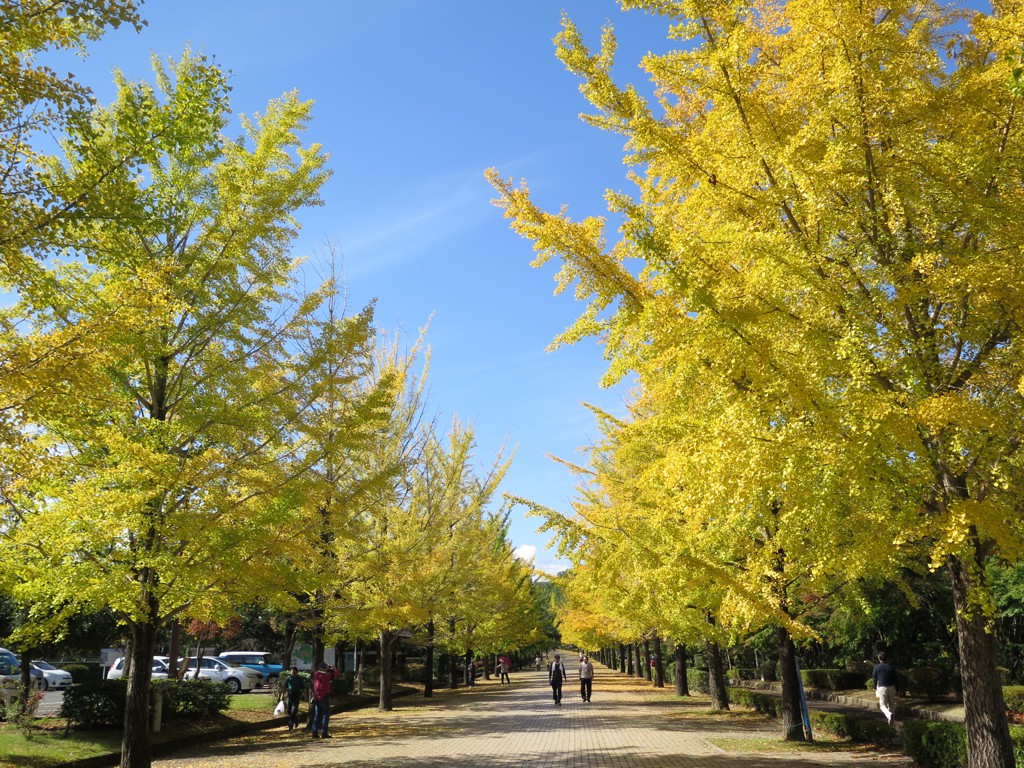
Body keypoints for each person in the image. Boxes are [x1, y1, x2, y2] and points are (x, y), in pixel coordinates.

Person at [310, 661, 338, 738]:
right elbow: (336, 675)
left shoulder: (316, 674)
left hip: (317, 697)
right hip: (325, 697)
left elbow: (319, 671)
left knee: (316, 715)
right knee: (325, 715)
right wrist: (333, 668)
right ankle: (324, 732)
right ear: (324, 668)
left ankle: (314, 732)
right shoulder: (327, 675)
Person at [872, 651, 898, 726]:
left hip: (882, 687)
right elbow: (895, 679)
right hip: (892, 687)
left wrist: (874, 687)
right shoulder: (891, 667)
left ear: (879, 658)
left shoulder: (876, 667)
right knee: (891, 704)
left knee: (882, 705)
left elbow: (875, 678)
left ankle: (889, 715)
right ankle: (892, 720)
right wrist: (898, 689)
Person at [283, 665, 304, 731]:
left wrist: (303, 694)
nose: (293, 674)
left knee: (294, 710)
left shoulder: (299, 679)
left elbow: (303, 687)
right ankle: (296, 720)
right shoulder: (289, 678)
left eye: (294, 673)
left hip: (297, 695)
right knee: (289, 710)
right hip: (290, 694)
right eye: (292, 673)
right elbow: (285, 687)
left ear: (297, 672)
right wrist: (282, 695)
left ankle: (290, 724)